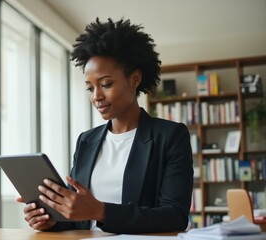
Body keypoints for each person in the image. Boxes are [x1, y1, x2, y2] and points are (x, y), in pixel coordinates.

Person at [17, 18, 193, 233]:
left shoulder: (170, 136)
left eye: (106, 84)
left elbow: (174, 216)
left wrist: (101, 211)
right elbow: (78, 218)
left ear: (134, 79)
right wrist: (52, 220)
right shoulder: (86, 140)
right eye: (90, 88)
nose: (97, 96)